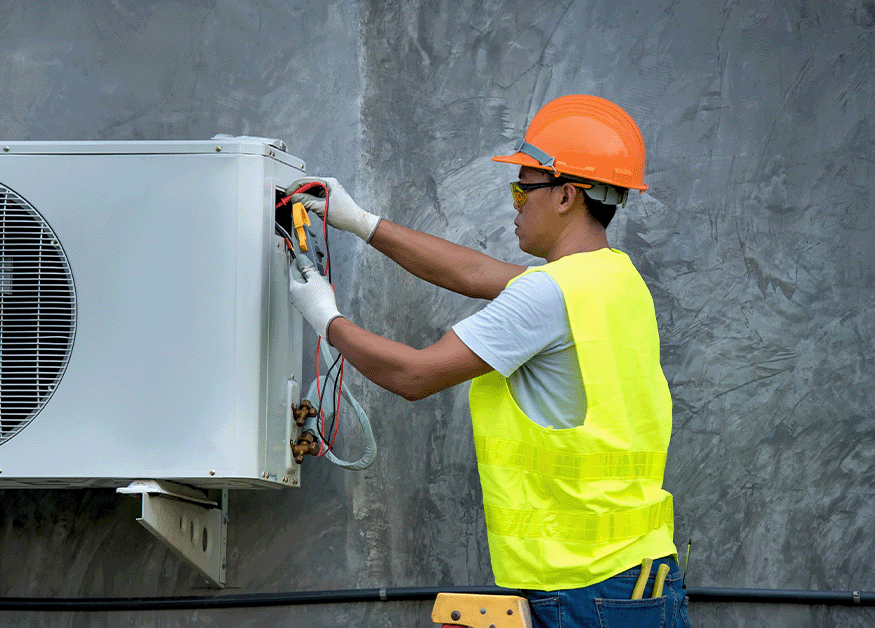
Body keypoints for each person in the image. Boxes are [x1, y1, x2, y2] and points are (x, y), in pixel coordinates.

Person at [286, 94, 689, 628]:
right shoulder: (614, 278)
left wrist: (326, 319)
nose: (515, 202)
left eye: (524, 188)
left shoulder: (548, 295)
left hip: (583, 590)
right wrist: (362, 222)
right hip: (641, 576)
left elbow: (414, 375)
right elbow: (476, 274)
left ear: (567, 195)